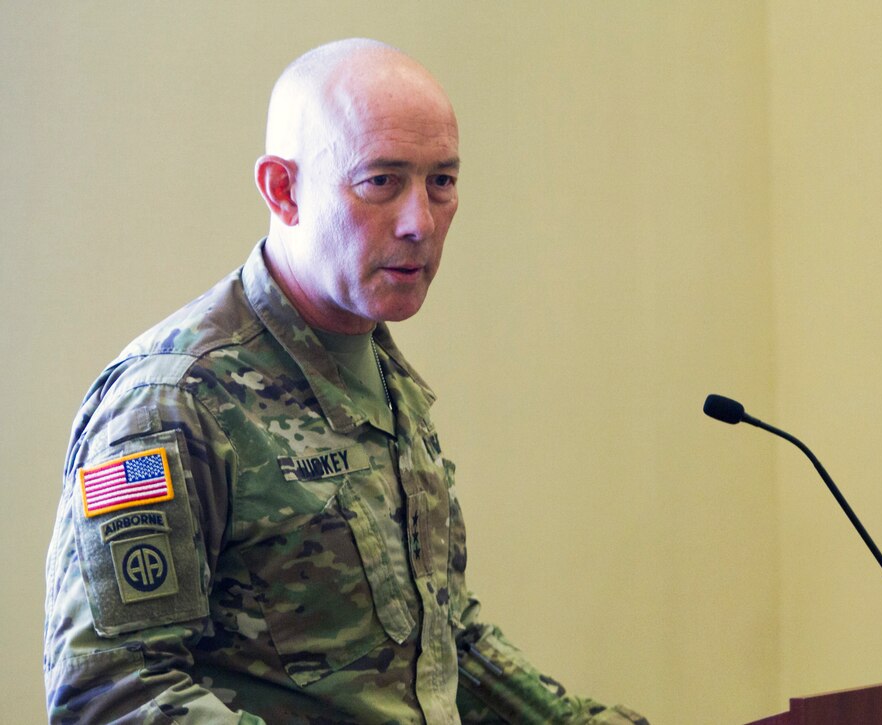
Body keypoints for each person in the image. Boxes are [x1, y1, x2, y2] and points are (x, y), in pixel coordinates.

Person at [43, 38, 647, 724]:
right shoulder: (172, 399)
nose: (420, 221)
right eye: (381, 182)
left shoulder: (381, 374)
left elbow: (443, 644)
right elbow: (114, 691)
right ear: (283, 189)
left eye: (441, 182)